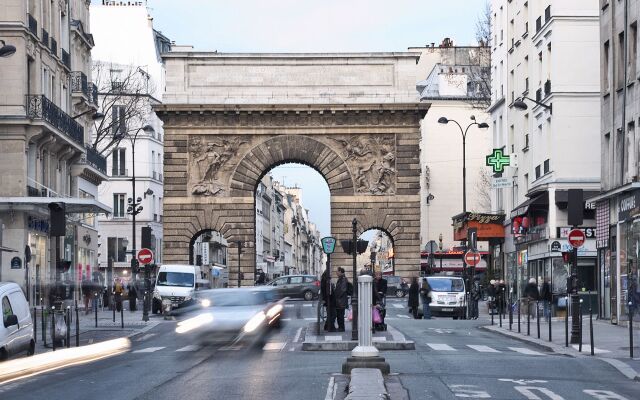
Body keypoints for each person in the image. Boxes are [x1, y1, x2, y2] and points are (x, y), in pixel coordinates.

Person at [334, 267, 349, 332]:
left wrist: (337, 296)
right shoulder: (341, 279)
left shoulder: (343, 279)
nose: (336, 273)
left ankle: (341, 328)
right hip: (339, 300)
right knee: (339, 314)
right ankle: (340, 327)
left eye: (337, 271)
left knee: (340, 315)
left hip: (341, 300)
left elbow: (343, 289)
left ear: (340, 271)